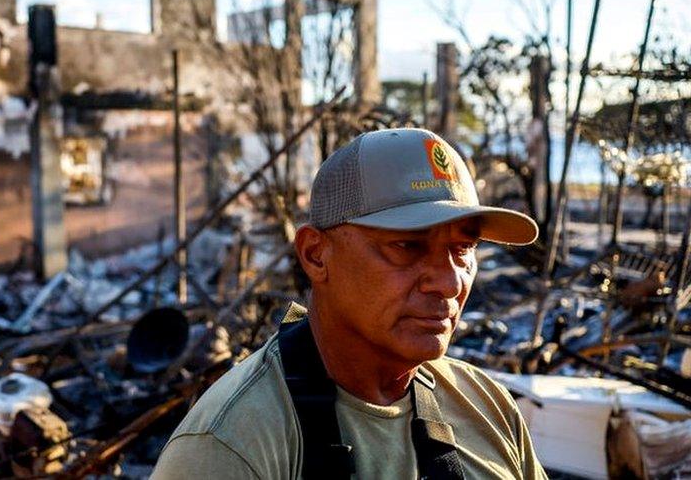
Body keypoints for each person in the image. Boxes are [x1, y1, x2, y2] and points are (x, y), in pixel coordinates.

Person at [152, 128, 547, 479]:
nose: (448, 282)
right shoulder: (232, 445)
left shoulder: (489, 410)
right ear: (316, 255)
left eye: (463, 249)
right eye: (407, 246)